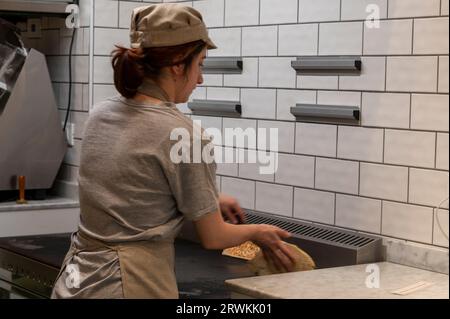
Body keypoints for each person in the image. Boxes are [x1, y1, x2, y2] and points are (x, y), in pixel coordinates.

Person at [51, 3, 296, 299]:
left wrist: (208, 198)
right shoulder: (185, 136)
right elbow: (214, 236)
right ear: (179, 64)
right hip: (129, 284)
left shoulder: (100, 114)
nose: (201, 79)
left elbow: (133, 185)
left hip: (78, 280)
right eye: (201, 64)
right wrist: (258, 233)